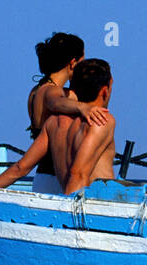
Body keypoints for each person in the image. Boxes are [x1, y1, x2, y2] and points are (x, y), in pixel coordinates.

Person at [0, 59, 117, 194]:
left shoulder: (54, 122)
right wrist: (67, 211)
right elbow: (78, 174)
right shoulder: (102, 121)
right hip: (95, 206)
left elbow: (20, 168)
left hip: (71, 199)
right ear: (105, 91)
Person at [25, 33, 108, 193]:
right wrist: (83, 107)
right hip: (59, 180)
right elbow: (57, 102)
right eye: (82, 62)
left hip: (42, 177)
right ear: (72, 63)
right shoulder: (53, 91)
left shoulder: (35, 91)